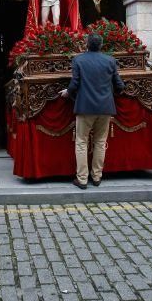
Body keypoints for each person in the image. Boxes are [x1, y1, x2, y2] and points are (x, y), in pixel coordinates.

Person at [60, 33, 125, 189]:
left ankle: (82, 179)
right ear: (101, 45)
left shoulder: (78, 60)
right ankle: (97, 177)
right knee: (100, 142)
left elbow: (74, 83)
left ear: (86, 44)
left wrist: (67, 92)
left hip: (85, 107)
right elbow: (120, 85)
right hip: (105, 107)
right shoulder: (110, 60)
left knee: (82, 142)